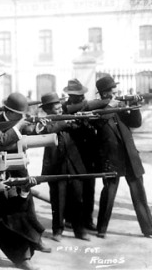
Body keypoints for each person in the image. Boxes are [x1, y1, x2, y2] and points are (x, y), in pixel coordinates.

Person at [90, 76, 152, 239]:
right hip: (112, 158)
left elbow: (136, 123)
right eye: (113, 91)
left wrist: (134, 106)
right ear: (104, 94)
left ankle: (149, 230)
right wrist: (111, 106)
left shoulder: (119, 106)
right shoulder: (98, 109)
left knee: (139, 194)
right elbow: (99, 121)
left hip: (130, 156)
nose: (116, 93)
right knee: (109, 194)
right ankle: (102, 229)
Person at [0, 92, 51, 253]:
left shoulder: (18, 120)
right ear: (9, 112)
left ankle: (37, 240)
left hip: (19, 165)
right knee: (9, 208)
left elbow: (29, 130)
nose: (22, 116)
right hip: (1, 168)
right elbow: (1, 140)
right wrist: (19, 125)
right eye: (19, 114)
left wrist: (39, 126)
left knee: (28, 202)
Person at [38, 92, 90, 242]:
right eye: (56, 108)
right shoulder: (43, 121)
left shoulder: (67, 117)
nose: (61, 110)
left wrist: (81, 121)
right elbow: (47, 130)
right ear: (48, 110)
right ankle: (57, 230)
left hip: (73, 164)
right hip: (56, 165)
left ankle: (79, 230)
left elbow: (80, 130)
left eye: (61, 107)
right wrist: (65, 123)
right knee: (58, 200)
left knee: (77, 198)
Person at [61, 79, 97, 231]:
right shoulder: (64, 107)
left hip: (89, 149)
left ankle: (88, 220)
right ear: (70, 95)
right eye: (76, 95)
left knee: (90, 186)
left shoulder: (87, 104)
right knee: (73, 187)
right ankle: (70, 218)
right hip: (72, 149)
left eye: (81, 95)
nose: (80, 97)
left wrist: (89, 120)